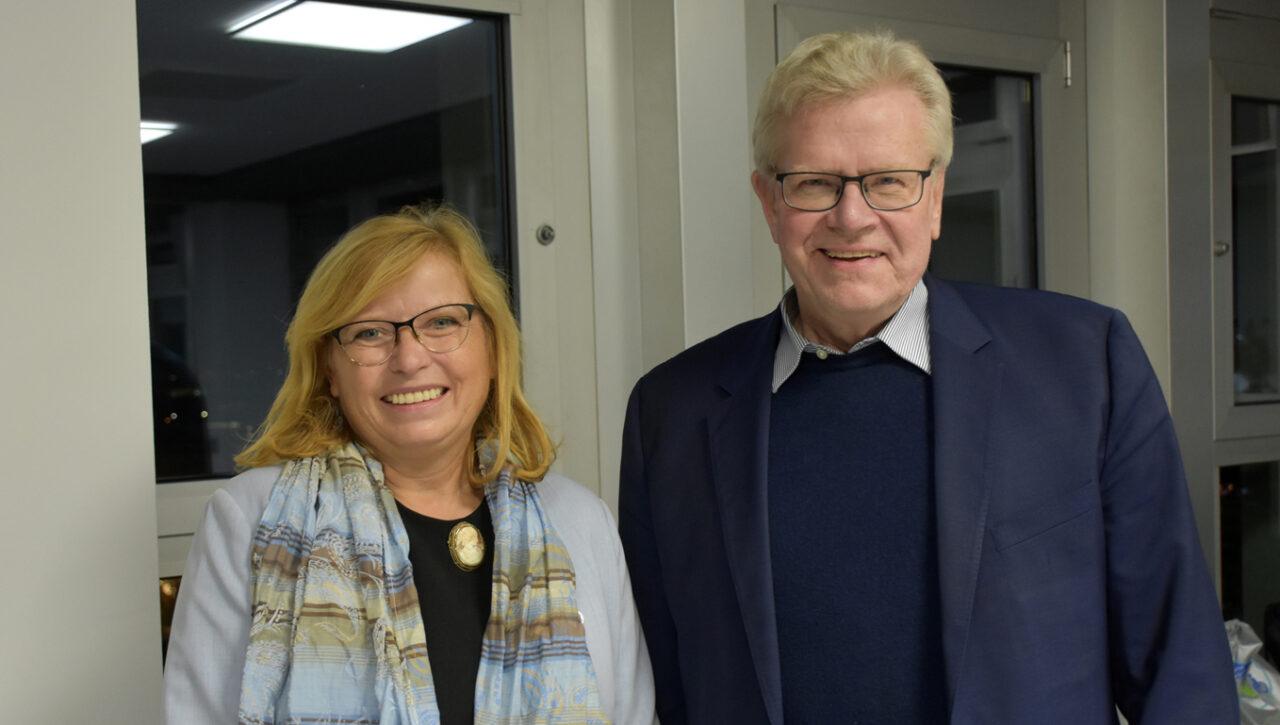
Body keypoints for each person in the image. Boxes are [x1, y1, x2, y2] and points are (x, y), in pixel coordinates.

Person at [618, 30, 1238, 724]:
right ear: (769, 201)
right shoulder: (670, 414)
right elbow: (664, 692)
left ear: (935, 197)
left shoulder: (1085, 366)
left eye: (888, 181)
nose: (852, 217)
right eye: (815, 182)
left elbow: (1180, 673)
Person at [165, 204, 655, 724]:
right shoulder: (250, 522)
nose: (410, 358)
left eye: (443, 322)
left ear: (492, 348)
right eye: (369, 333)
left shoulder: (581, 521)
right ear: (329, 369)